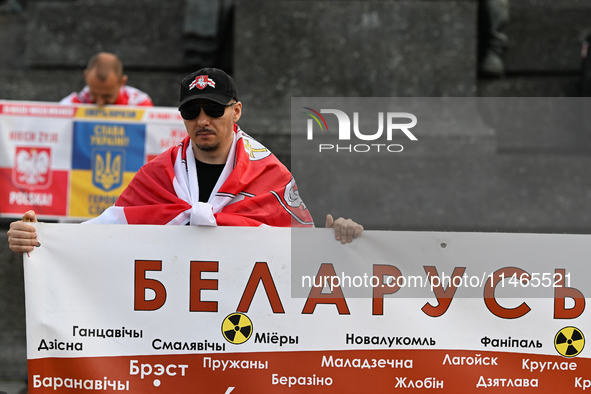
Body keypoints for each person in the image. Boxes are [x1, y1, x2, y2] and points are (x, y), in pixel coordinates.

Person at [8, 68, 363, 254]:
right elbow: (105, 234)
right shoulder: (157, 175)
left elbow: (304, 252)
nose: (203, 119)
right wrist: (38, 237)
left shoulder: (269, 175)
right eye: (192, 110)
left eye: (214, 108)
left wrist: (338, 241)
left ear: (236, 111)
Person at [59, 52, 153, 106]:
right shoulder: (70, 106)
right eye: (94, 94)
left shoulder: (140, 105)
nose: (100, 103)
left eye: (107, 96)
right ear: (86, 76)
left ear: (122, 82)